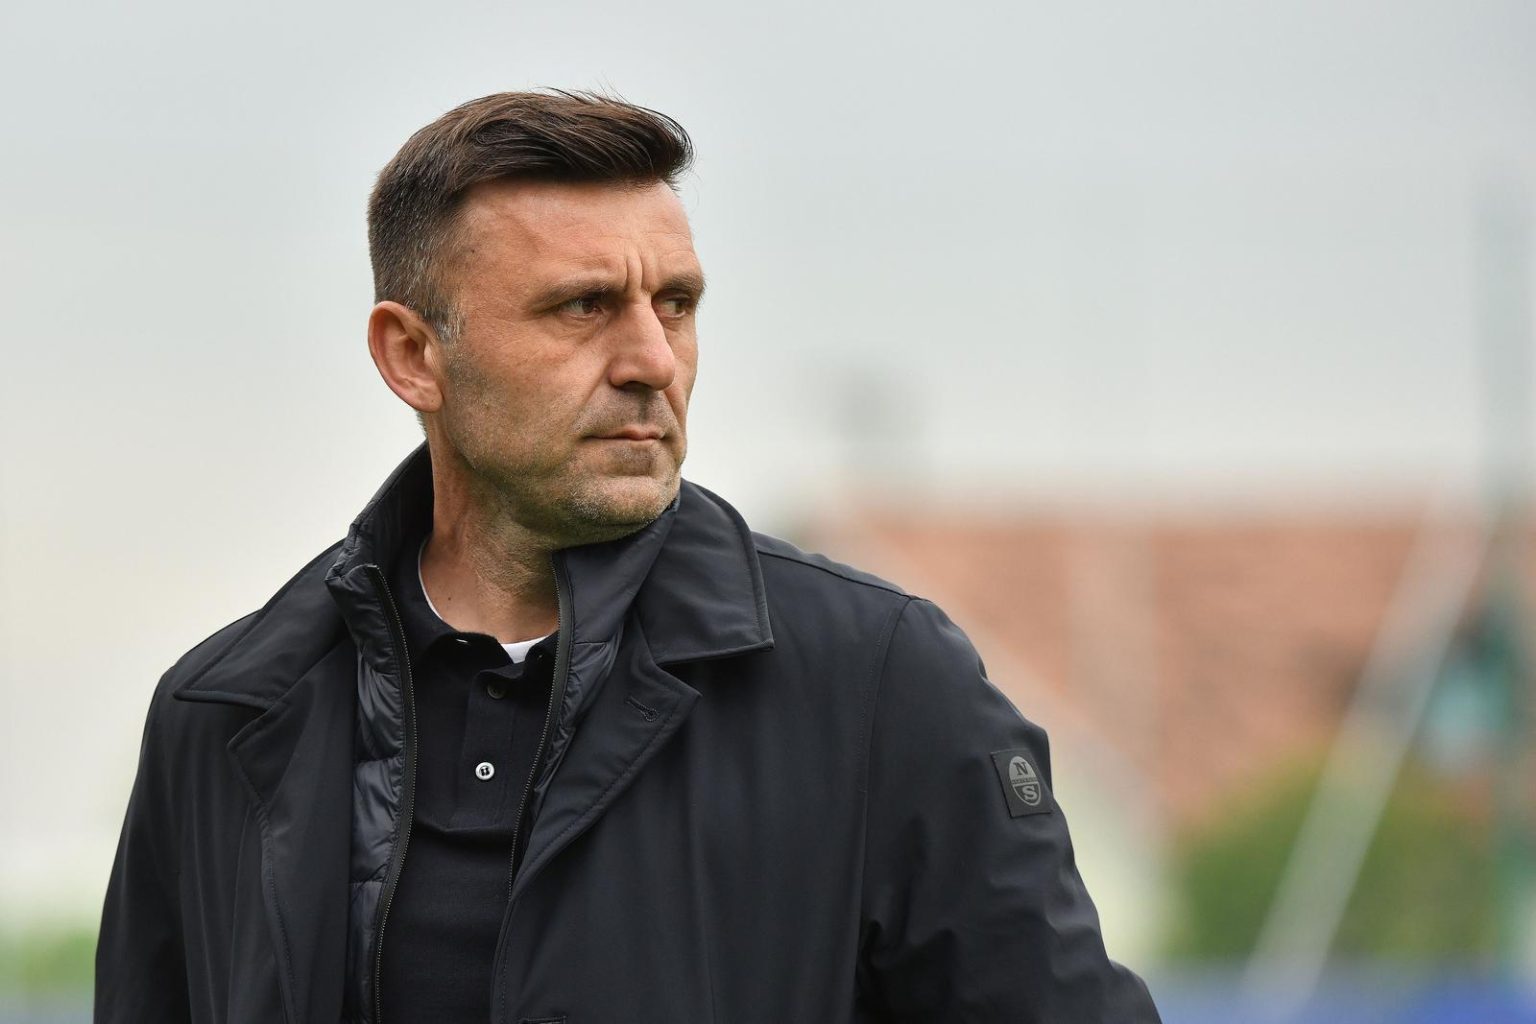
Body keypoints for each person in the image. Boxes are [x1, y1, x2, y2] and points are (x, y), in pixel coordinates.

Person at [95, 90, 1162, 1024]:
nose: (653, 359)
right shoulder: (224, 716)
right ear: (412, 354)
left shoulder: (881, 680)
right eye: (583, 306)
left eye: (676, 304)